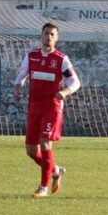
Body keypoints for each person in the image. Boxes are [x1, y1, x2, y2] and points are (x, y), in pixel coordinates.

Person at [14, 23, 81, 198]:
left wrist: (65, 92)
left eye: (52, 34)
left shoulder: (61, 59)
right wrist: (18, 87)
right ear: (41, 35)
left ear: (56, 38)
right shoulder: (32, 56)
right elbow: (21, 75)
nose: (48, 37)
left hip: (52, 107)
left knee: (45, 143)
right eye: (46, 33)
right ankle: (56, 170)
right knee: (30, 150)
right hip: (35, 106)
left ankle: (43, 187)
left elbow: (75, 82)